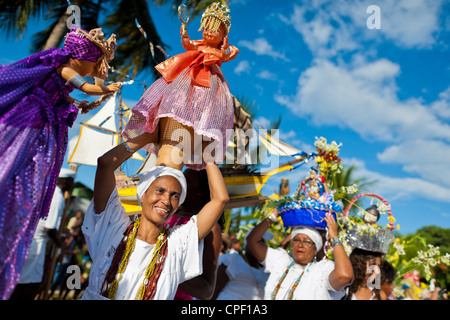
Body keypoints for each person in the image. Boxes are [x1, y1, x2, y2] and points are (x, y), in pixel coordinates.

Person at [0, 26, 121, 299]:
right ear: (84, 55)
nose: (96, 68)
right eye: (95, 61)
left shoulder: (64, 75)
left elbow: (71, 95)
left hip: (41, 122)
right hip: (32, 119)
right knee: (12, 160)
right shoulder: (66, 68)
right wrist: (104, 88)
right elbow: (86, 87)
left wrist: (82, 103)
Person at [79, 132, 229, 300]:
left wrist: (207, 156)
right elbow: (105, 163)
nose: (166, 200)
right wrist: (150, 136)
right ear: (143, 194)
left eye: (174, 195)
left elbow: (220, 199)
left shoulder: (176, 246)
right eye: (160, 191)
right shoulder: (114, 228)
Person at [123, 2, 239, 171]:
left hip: (209, 81)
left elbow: (226, 55)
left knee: (204, 103)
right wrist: (185, 35)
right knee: (179, 97)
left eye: (214, 30)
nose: (208, 32)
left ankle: (195, 120)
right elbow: (188, 45)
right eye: (206, 28)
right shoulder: (200, 45)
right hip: (189, 76)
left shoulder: (220, 51)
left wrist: (222, 50)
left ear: (223, 36)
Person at [246, 210, 353, 300]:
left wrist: (334, 236)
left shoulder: (321, 270)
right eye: (296, 240)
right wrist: (273, 215)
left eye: (306, 241)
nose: (300, 245)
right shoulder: (281, 260)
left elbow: (344, 276)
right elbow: (252, 241)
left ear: (316, 249)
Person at [9, 169, 75, 300]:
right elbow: (49, 229)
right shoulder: (57, 197)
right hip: (36, 247)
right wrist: (61, 244)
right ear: (66, 182)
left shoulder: (48, 191)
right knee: (28, 287)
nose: (73, 186)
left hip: (30, 244)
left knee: (23, 283)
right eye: (72, 182)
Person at [212, 230, 272, 300]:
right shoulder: (233, 260)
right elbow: (214, 290)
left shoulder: (265, 272)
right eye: (255, 243)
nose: (257, 247)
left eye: (261, 244)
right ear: (247, 245)